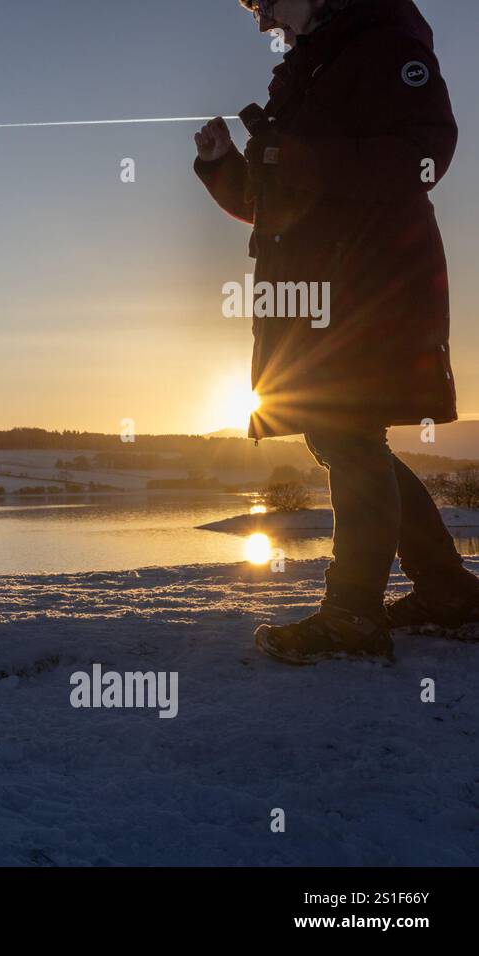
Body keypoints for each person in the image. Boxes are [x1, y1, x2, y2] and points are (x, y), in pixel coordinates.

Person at [193, 0, 479, 664]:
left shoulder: (384, 38)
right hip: (316, 289)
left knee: (348, 434)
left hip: (375, 278)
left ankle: (353, 616)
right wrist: (225, 166)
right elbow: (281, 199)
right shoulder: (308, 68)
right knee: (338, 433)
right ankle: (444, 591)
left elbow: (426, 155)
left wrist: (296, 158)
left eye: (264, 3)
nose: (263, 22)